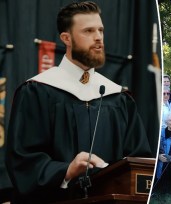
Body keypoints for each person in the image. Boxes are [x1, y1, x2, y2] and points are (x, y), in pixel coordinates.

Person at [5, 2, 152, 203]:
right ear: (66, 38)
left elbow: (138, 162)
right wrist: (66, 170)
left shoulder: (117, 97)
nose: (98, 37)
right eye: (88, 31)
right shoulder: (37, 91)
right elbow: (23, 162)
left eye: (100, 30)